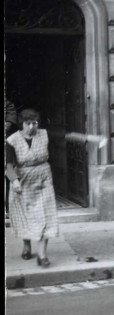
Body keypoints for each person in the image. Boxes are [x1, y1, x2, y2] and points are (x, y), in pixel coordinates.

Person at [5, 108, 60, 267]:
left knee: (46, 215)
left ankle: (42, 255)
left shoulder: (44, 134)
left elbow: (66, 136)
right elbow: (8, 166)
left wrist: (87, 138)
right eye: (28, 124)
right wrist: (14, 180)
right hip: (23, 180)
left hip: (44, 179)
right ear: (22, 123)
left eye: (34, 123)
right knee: (26, 215)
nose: (31, 127)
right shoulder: (12, 140)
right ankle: (27, 245)